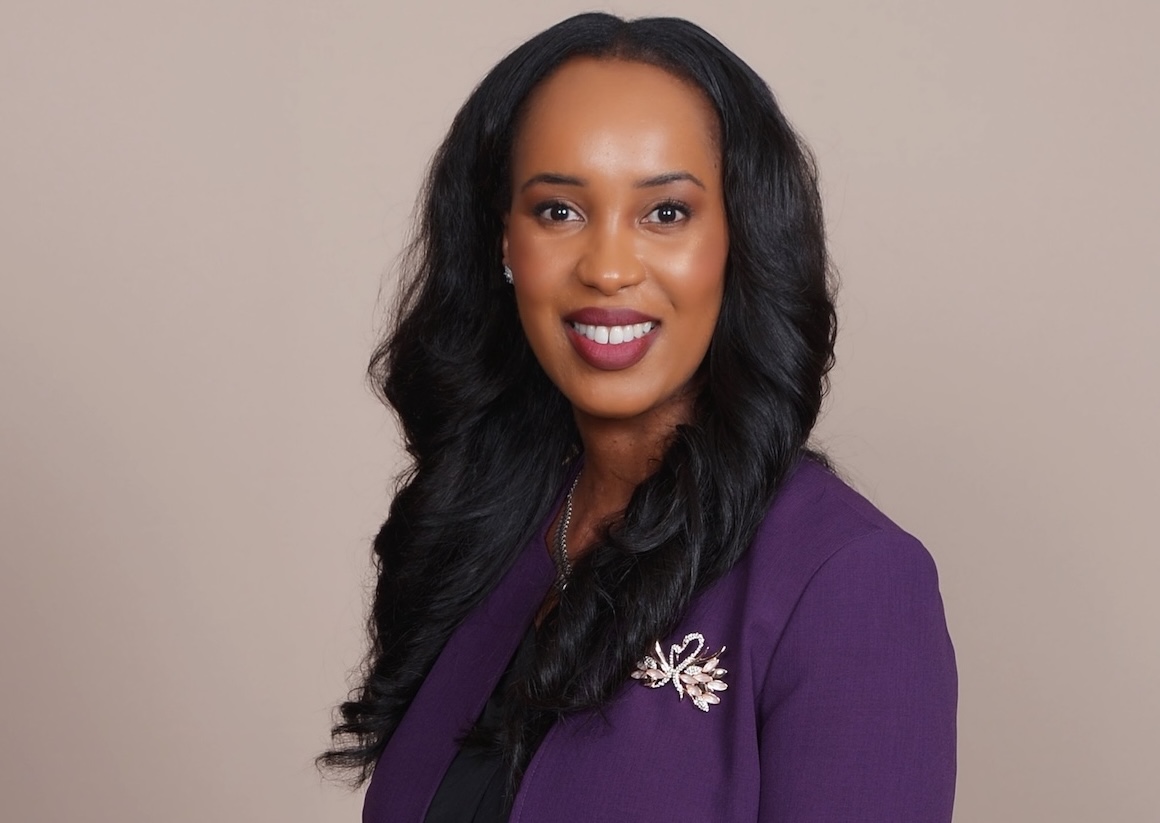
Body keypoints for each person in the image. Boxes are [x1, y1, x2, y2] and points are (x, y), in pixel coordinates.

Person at [321, 12, 957, 822]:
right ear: (504, 243)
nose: (609, 268)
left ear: (739, 237)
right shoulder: (485, 531)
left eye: (666, 213)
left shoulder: (849, 581)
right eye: (559, 210)